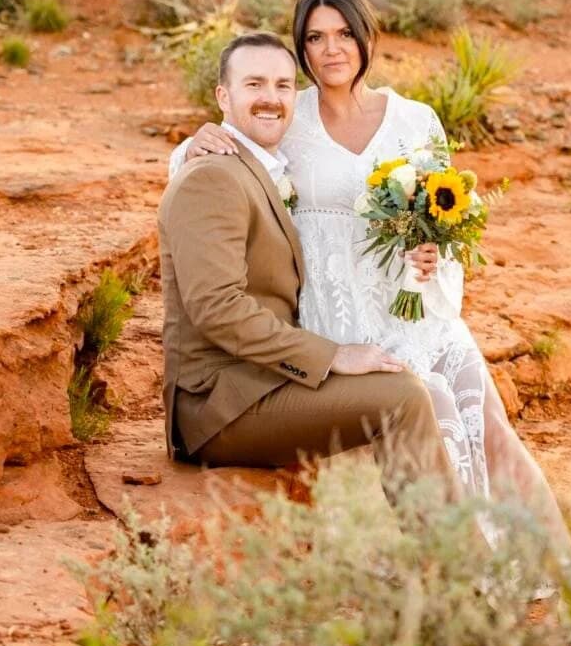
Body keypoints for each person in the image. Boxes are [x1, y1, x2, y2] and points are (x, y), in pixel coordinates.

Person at [170, 0, 566, 542]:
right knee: (420, 410)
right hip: (338, 314)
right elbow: (226, 166)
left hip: (414, 307)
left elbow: (447, 210)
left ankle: (537, 565)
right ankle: (453, 565)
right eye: (315, 37)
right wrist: (194, 142)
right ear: (302, 49)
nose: (332, 49)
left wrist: (433, 254)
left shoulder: (416, 120)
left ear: (365, 38)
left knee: (486, 424)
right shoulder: (288, 114)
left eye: (343, 34)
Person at [159, 29, 463, 506]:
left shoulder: (260, 167)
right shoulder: (214, 175)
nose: (271, 99)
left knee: (400, 380)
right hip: (221, 405)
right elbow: (215, 308)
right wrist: (332, 355)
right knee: (401, 397)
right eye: (254, 84)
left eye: (283, 86)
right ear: (223, 95)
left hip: (259, 381)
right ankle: (456, 571)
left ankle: (421, 555)